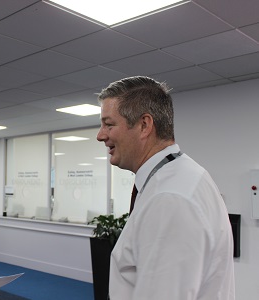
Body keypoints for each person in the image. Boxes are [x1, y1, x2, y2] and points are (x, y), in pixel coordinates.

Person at [96, 76, 235, 299]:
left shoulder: (170, 198)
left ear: (144, 125)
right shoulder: (181, 177)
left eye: (109, 124)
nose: (100, 135)